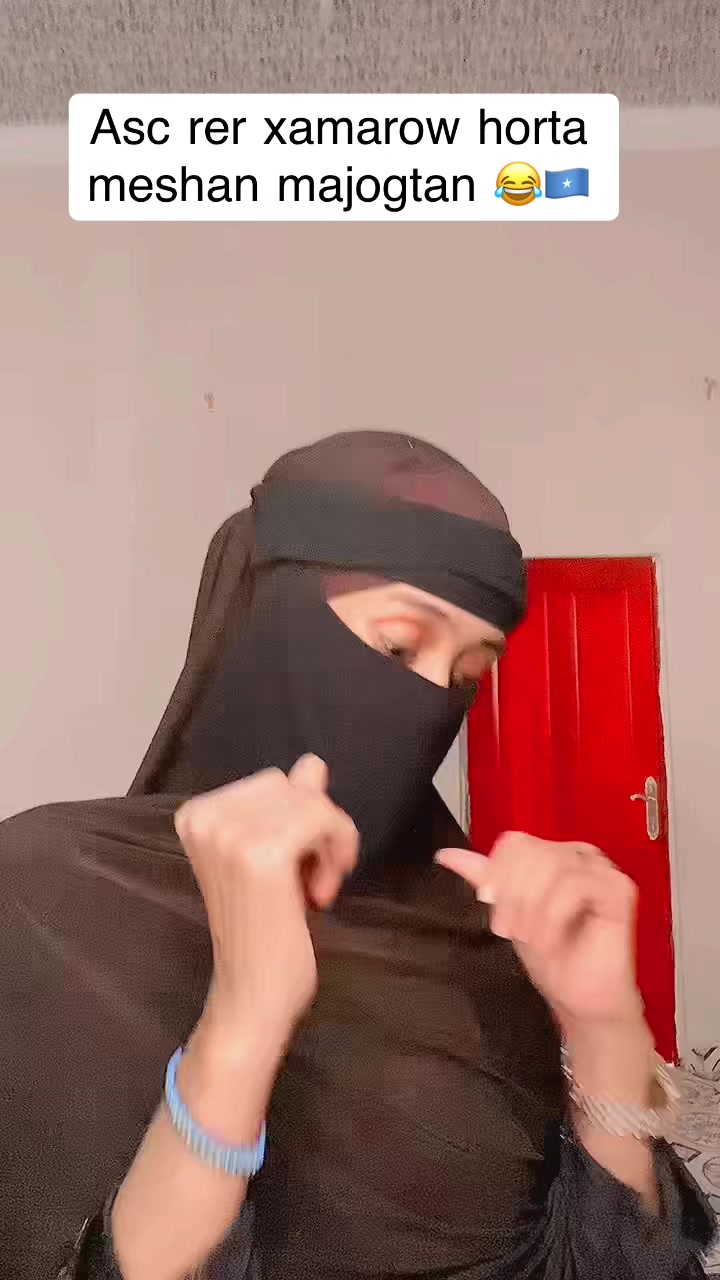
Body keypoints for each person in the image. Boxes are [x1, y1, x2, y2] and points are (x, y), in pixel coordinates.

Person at [0, 430, 714, 1280]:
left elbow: (607, 1262)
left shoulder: (472, 935)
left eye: (466, 674)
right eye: (399, 646)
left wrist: (605, 1028)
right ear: (269, 622)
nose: (428, 704)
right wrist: (242, 1023)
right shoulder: (48, 900)